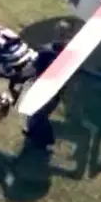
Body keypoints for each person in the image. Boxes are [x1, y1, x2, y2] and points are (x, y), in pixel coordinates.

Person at [20, 20, 73, 151]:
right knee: (37, 113)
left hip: (49, 89)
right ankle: (32, 133)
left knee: (38, 114)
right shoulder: (64, 52)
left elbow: (34, 68)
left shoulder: (49, 52)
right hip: (51, 88)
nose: (62, 36)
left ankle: (46, 140)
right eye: (61, 33)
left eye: (63, 34)